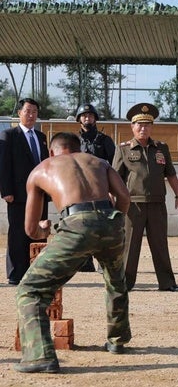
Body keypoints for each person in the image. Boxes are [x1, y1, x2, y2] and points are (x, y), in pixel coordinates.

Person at [14, 132, 131, 373]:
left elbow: (30, 229)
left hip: (77, 224)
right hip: (112, 221)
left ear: (51, 151)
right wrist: (111, 224)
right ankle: (117, 342)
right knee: (115, 280)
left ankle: (39, 356)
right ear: (79, 150)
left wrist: (44, 230)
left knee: (30, 289)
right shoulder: (99, 162)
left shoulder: (41, 169)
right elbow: (124, 197)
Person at [113, 103, 178, 292]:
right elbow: (115, 178)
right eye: (139, 125)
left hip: (157, 205)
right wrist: (114, 201)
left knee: (160, 244)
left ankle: (167, 283)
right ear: (132, 127)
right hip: (133, 206)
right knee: (130, 246)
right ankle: (125, 283)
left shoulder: (161, 148)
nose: (143, 128)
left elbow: (171, 174)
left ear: (152, 127)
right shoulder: (123, 150)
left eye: (147, 125)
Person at [0, 98, 49, 285]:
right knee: (18, 233)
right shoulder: (9, 135)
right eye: (28, 111)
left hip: (40, 194)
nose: (31, 115)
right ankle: (15, 273)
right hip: (18, 195)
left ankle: (37, 272)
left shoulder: (41, 137)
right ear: (19, 113)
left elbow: (45, 166)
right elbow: (4, 166)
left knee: (39, 232)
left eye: (35, 111)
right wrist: (6, 191)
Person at [76, 102, 116, 272]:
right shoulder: (74, 141)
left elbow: (114, 166)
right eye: (84, 116)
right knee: (82, 225)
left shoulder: (105, 140)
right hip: (80, 189)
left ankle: (103, 262)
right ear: (79, 119)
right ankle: (85, 262)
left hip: (100, 189)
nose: (87, 118)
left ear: (95, 119)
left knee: (102, 226)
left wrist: (113, 190)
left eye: (90, 116)